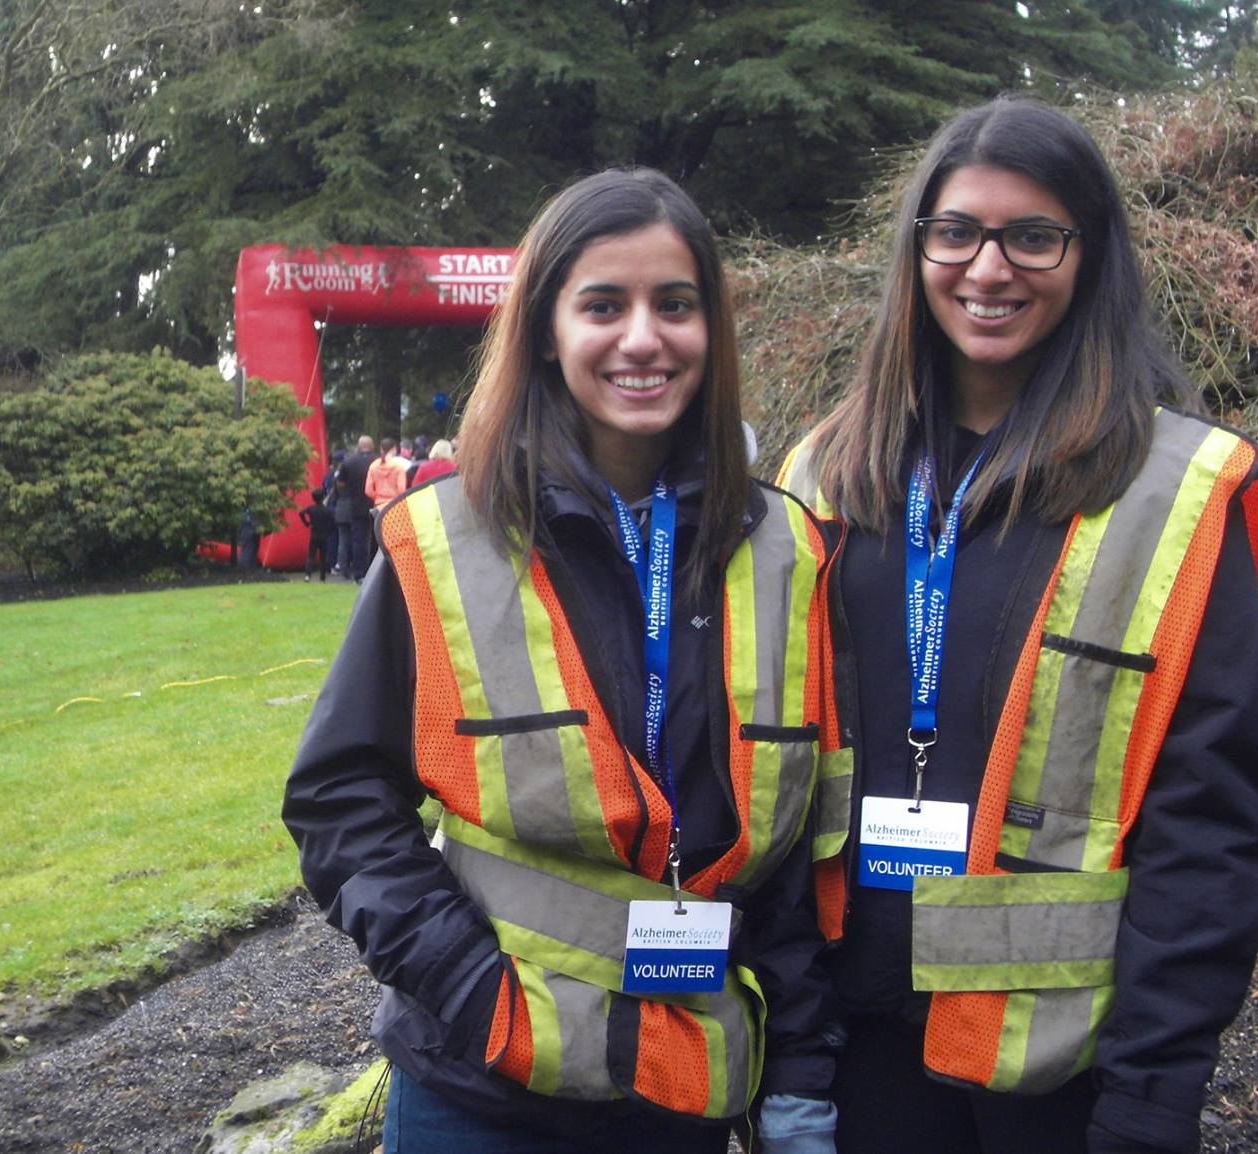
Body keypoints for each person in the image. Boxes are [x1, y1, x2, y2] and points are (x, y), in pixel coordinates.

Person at [285, 167, 852, 1154]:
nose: (642, 336)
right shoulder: (442, 537)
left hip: (684, 1089)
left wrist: (797, 1069)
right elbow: (339, 797)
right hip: (480, 1090)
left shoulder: (784, 548)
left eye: (673, 304)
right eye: (603, 304)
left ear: (709, 331)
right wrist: (468, 987)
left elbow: (795, 853)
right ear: (545, 327)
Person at [776, 97, 1258, 1154]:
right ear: (915, 249)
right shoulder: (820, 475)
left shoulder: (1173, 488)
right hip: (855, 1028)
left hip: (1069, 1062)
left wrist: (1153, 1089)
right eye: (955, 232)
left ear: (1087, 254)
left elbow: (1210, 817)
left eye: (1032, 236)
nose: (987, 268)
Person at [336, 436, 378, 579]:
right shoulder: (378, 461)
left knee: (358, 539)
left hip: (356, 505)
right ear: (372, 446)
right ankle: (375, 572)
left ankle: (360, 572)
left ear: (359, 446)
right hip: (376, 503)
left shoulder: (349, 462)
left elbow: (340, 483)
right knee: (376, 538)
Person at [299, 486, 336, 581]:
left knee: (311, 555)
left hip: (314, 534)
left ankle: (307, 575)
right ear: (323, 497)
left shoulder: (311, 508)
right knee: (323, 557)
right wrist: (329, 531)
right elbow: (333, 522)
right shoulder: (327, 510)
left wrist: (307, 524)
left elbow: (301, 513)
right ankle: (322, 577)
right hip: (324, 535)